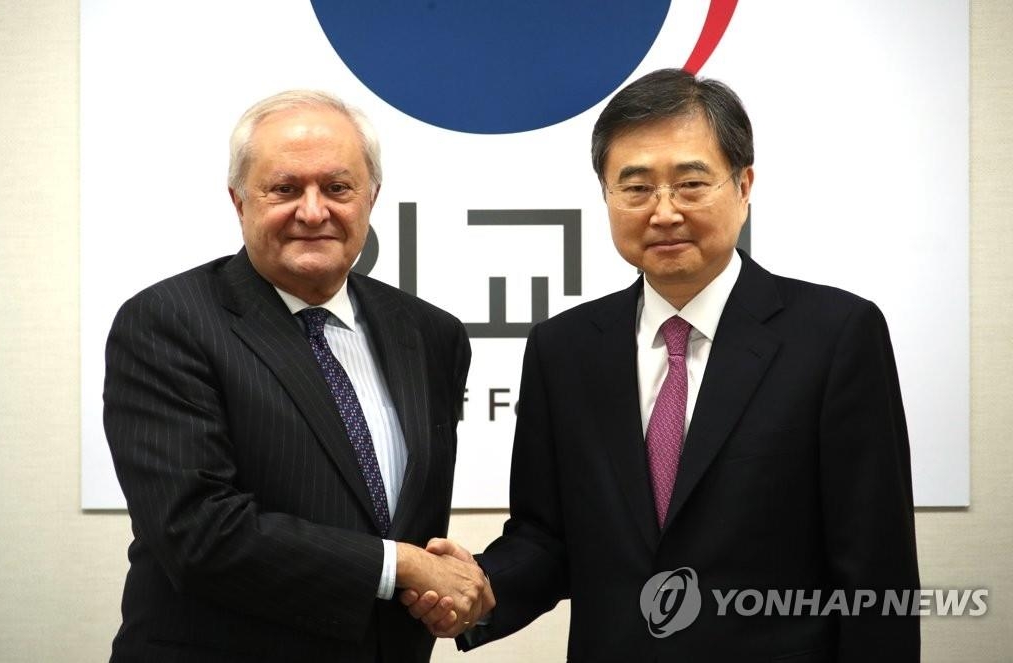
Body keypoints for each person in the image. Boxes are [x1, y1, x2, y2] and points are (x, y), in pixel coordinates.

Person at [404, 69, 920, 660]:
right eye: (636, 187)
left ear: (744, 185)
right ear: (606, 196)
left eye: (691, 183)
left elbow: (875, 568)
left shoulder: (835, 335)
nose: (665, 211)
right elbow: (547, 538)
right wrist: (480, 589)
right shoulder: (564, 349)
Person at [103, 90, 492, 662]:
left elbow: (409, 517)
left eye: (338, 188)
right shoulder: (167, 322)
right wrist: (399, 564)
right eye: (285, 189)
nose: (314, 212)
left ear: (371, 198)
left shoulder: (432, 334)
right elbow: (196, 531)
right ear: (239, 201)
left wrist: (441, 588)